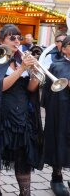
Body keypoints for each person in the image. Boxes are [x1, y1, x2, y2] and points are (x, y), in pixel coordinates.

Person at [0, 24, 43, 196]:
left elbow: (31, 89)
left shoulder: (21, 59)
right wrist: (22, 69)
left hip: (22, 115)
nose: (17, 41)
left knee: (23, 155)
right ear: (2, 40)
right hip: (0, 114)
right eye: (12, 38)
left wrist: (34, 72)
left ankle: (25, 193)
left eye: (19, 38)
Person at [43, 35, 70, 196]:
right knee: (59, 141)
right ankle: (56, 177)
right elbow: (48, 91)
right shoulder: (57, 65)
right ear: (64, 48)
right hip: (61, 111)